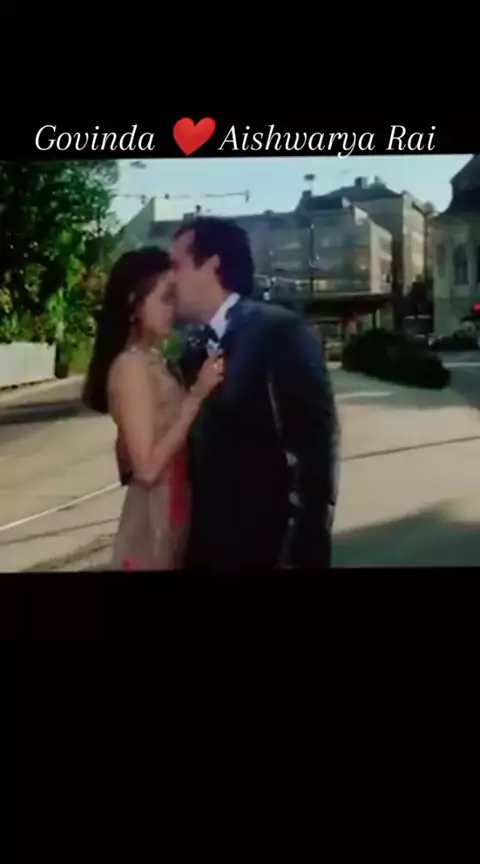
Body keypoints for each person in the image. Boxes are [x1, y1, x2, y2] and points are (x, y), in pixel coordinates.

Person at [169, 216, 339, 571]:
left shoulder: (279, 332)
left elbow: (312, 461)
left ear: (211, 264)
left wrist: (296, 558)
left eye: (177, 266)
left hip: (264, 553)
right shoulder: (192, 350)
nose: (170, 279)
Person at [82, 248, 224, 570]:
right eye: (164, 298)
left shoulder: (155, 359)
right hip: (154, 520)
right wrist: (196, 397)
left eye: (174, 298)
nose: (173, 308)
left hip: (176, 506)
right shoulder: (130, 367)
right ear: (134, 303)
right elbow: (145, 469)